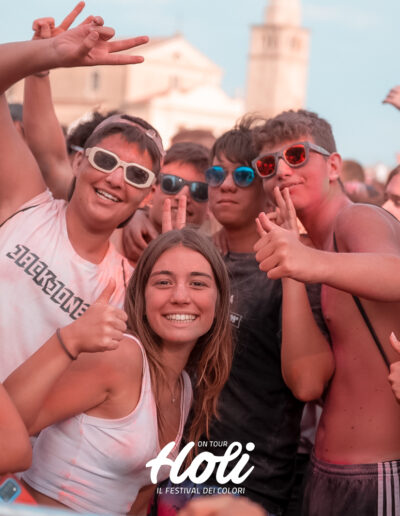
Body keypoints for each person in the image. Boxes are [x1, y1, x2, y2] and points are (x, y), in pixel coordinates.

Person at [152, 119, 327, 516]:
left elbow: (308, 384)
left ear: (267, 186)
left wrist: (291, 266)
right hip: (175, 471)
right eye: (216, 174)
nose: (226, 185)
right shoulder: (198, 261)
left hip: (250, 483)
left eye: (243, 175)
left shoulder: (293, 272)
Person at [4, 227, 232, 515]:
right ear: (142, 298)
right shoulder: (121, 357)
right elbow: (6, 425)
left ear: (219, 302)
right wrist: (68, 340)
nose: (180, 296)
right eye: (163, 282)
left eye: (198, 283)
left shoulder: (184, 387)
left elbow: (137, 502)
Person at [0, 16, 165, 381]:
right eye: (105, 160)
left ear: (148, 195)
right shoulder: (26, 205)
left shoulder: (131, 288)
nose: (115, 179)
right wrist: (48, 54)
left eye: (136, 175)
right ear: (78, 162)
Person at [253, 109, 400, 516]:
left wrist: (308, 262)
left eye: (296, 155)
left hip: (378, 474)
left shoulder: (358, 217)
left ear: (333, 166)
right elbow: (305, 383)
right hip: (326, 474)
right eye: (267, 165)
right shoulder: (312, 251)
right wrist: (292, 269)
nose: (282, 171)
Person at [122, 141, 210, 262]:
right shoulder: (116, 234)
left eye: (199, 190)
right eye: (171, 183)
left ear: (210, 208)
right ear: (151, 190)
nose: (182, 197)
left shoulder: (215, 260)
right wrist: (128, 218)